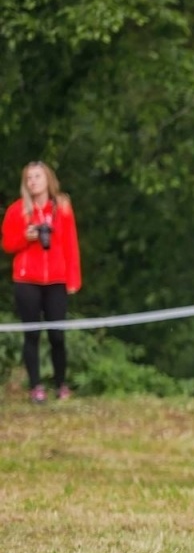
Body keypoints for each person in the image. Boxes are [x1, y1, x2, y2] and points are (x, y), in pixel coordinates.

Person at [3, 162, 81, 403]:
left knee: (57, 335)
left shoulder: (63, 208)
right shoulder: (17, 210)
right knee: (32, 335)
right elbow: (7, 244)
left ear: (48, 179)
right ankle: (36, 387)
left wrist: (73, 278)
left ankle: (61, 384)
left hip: (56, 279)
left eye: (37, 177)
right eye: (29, 178)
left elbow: (70, 243)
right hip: (27, 280)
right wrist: (25, 238)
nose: (33, 181)